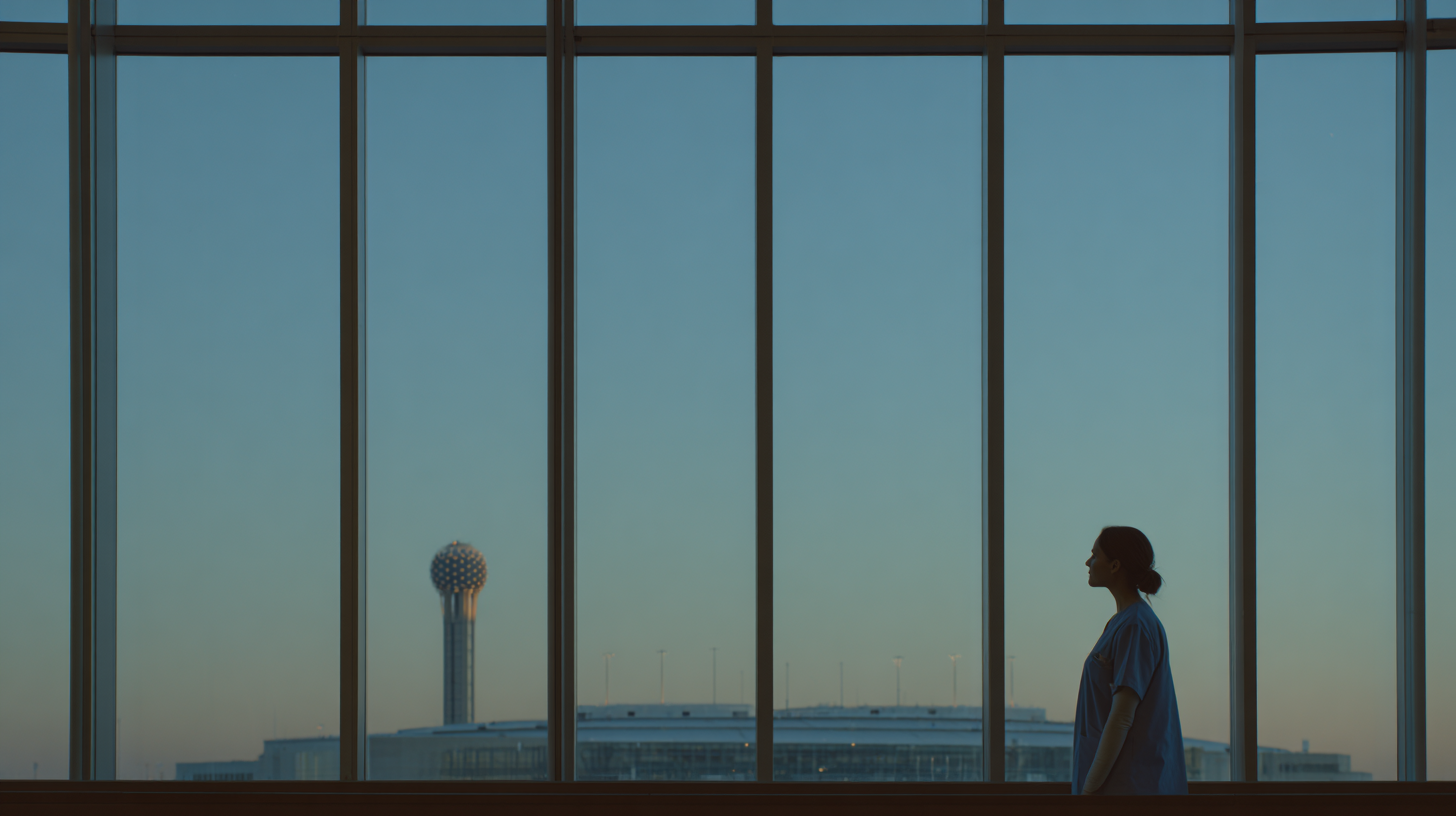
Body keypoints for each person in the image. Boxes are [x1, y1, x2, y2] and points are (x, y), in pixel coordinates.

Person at [1073, 525, 1187, 795]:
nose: (1088, 562)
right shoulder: (1122, 622)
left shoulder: (1135, 625)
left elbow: (1122, 715)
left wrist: (1087, 793)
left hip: (1129, 786)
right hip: (1120, 783)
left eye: (1094, 555)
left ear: (1114, 565)